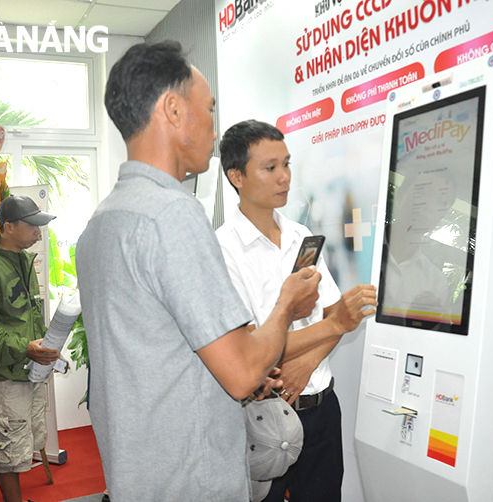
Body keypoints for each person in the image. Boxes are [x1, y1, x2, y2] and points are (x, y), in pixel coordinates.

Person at [75, 41, 321, 501]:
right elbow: (243, 372)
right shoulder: (173, 214)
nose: (213, 128)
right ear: (173, 110)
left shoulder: (101, 223)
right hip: (192, 479)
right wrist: (287, 304)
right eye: (208, 109)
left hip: (139, 473)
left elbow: (156, 349)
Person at [216, 120, 378, 502]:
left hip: (321, 408)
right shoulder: (222, 249)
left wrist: (308, 363)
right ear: (236, 176)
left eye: (287, 164)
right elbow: (250, 352)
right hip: (264, 420)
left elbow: (334, 316)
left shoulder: (300, 237)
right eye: (270, 168)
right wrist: (335, 322)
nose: (284, 177)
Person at [0, 194, 59, 502]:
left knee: (23, 442)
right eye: (32, 225)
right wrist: (26, 348)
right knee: (8, 450)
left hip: (28, 371)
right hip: (5, 376)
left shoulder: (23, 261)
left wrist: (49, 347)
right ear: (8, 227)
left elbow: (29, 317)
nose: (38, 231)